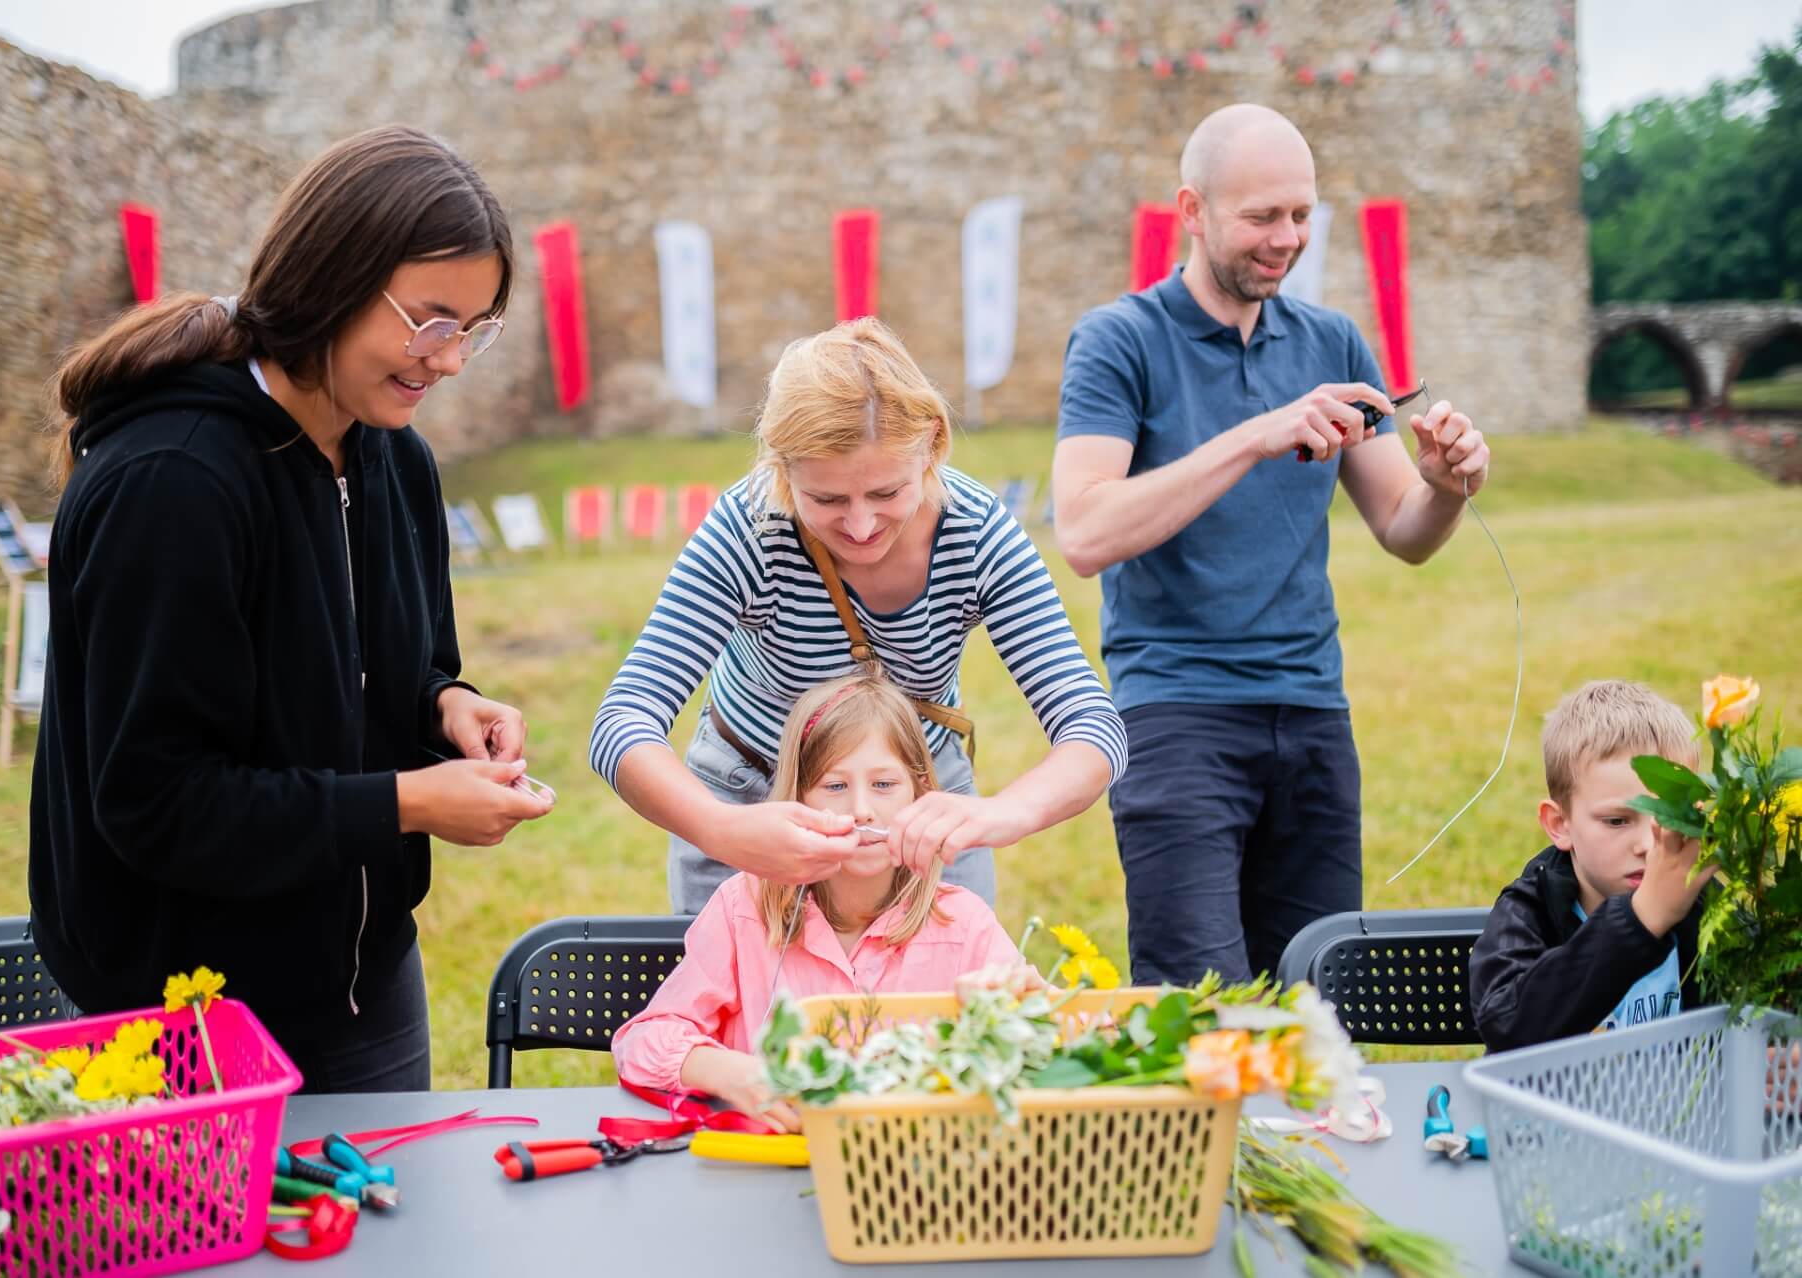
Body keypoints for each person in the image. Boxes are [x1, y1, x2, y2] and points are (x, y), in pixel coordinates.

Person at [30, 125, 554, 1093]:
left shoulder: (397, 459)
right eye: (430, 320)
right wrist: (405, 804)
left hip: (363, 979)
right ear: (334, 275)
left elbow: (405, 666)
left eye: (474, 331)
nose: (447, 362)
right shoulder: (172, 481)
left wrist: (448, 705)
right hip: (175, 1012)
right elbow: (155, 804)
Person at [1050, 103, 1492, 985]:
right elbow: (1086, 531)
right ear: (1193, 209)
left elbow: (1405, 530)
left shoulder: (1331, 341)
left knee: (1318, 1012)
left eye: (1300, 214)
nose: (1286, 239)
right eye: (1261, 217)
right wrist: (1256, 434)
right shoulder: (1120, 340)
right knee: (1199, 1011)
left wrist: (1447, 484)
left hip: (1315, 716)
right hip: (1176, 718)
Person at [593, 317, 1127, 914]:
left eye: (887, 493)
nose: (861, 525)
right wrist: (722, 829)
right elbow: (625, 720)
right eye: (825, 500)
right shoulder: (750, 527)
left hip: (915, 812)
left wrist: (1001, 813)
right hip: (753, 793)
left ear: (931, 444)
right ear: (781, 467)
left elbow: (1092, 727)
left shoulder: (976, 531)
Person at [611, 673, 1025, 1129]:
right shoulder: (743, 908)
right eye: (835, 786)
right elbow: (643, 1043)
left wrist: (1014, 1016)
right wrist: (729, 1073)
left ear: (922, 793)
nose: (862, 809)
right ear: (798, 797)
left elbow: (1043, 1048)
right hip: (766, 1175)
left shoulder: (963, 924)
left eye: (884, 784)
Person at [1470, 681, 1714, 1052]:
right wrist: (1640, 920)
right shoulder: (1529, 912)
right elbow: (1506, 1025)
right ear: (1559, 824)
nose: (1647, 846)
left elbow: (1763, 1000)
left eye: (1668, 818)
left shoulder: (1700, 898)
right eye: (1617, 821)